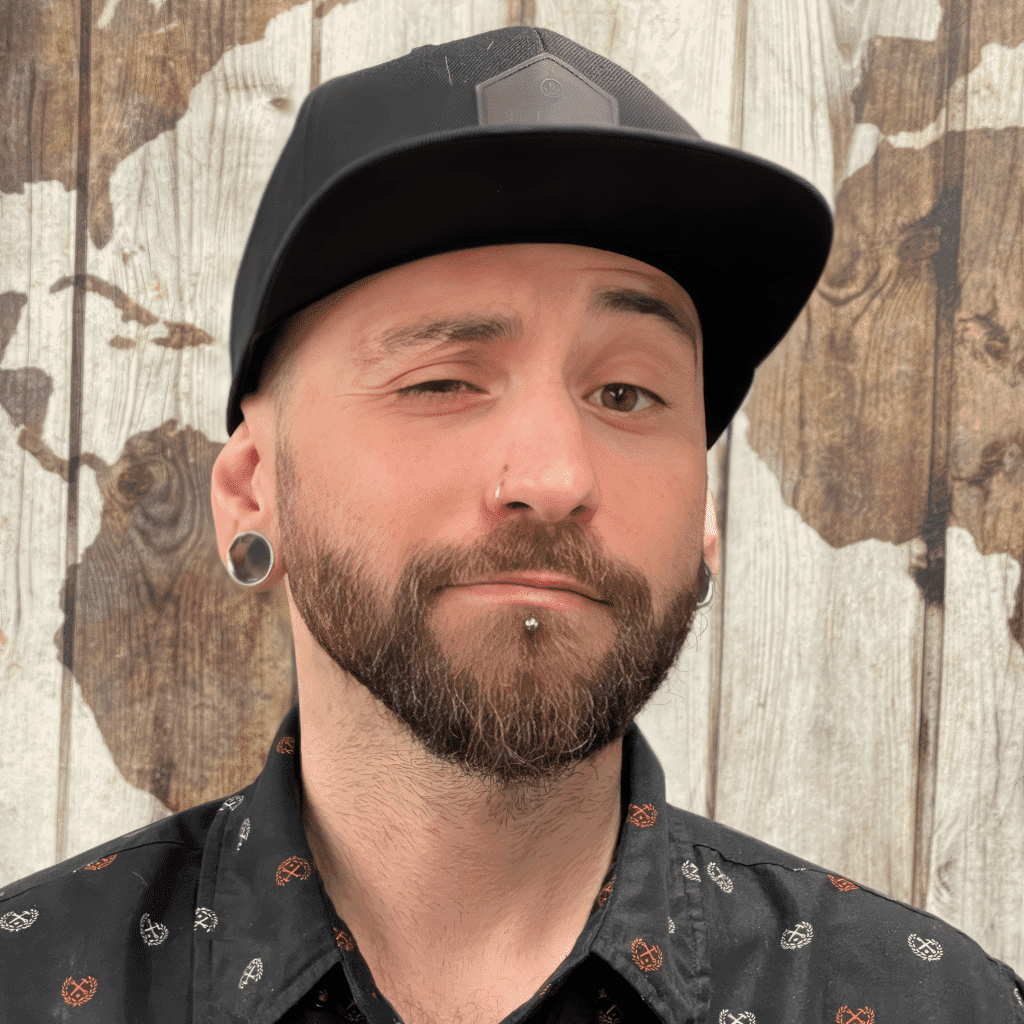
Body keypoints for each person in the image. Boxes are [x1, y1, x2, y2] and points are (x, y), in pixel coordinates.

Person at [1, 24, 1021, 1024]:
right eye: (442, 378)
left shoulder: (929, 1003)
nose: (553, 475)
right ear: (250, 492)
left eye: (625, 393)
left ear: (704, 520)